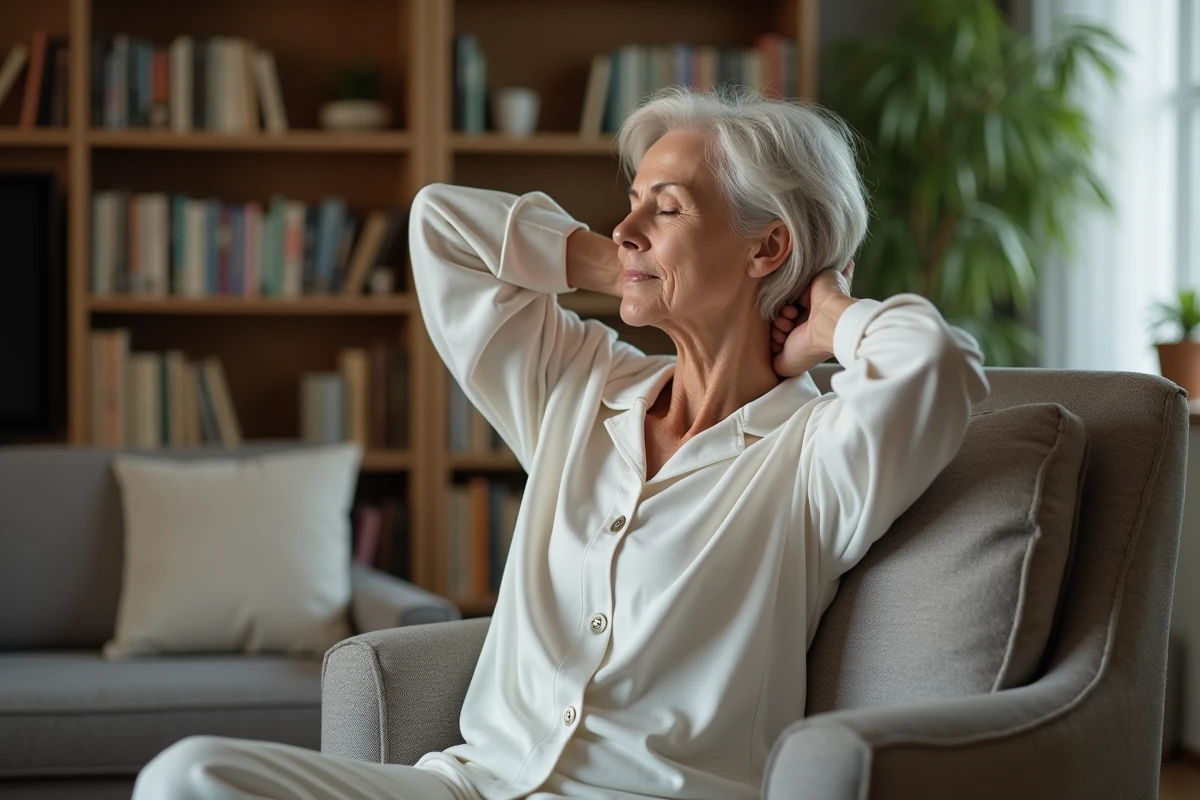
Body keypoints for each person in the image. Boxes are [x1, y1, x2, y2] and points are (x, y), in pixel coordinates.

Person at [132, 86, 989, 800]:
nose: (628, 227)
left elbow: (939, 367)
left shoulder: (815, 457)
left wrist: (831, 317)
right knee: (188, 777)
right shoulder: (583, 388)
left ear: (768, 247)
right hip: (473, 786)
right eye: (631, 204)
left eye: (668, 208)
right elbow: (440, 227)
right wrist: (606, 260)